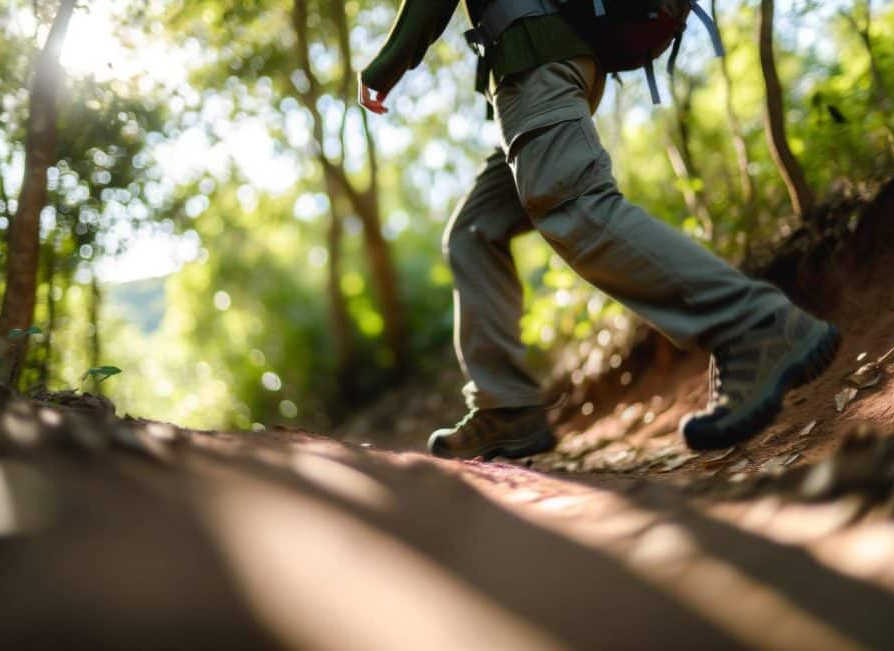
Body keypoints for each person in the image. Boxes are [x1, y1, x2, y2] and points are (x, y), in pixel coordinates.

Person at [357, 0, 840, 459]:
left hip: (536, 63)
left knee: (577, 206)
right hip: (548, 64)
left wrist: (385, 67)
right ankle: (505, 407)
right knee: (474, 231)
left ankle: (756, 324)